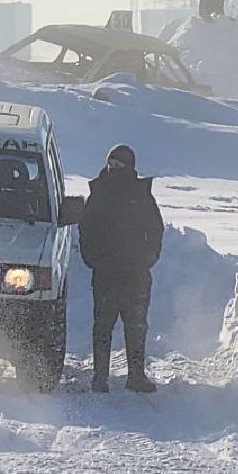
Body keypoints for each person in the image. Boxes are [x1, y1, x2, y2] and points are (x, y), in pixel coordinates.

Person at [78, 143, 164, 394]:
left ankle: (136, 376)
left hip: (136, 274)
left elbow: (156, 229)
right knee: (103, 326)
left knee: (136, 326)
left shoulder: (141, 194)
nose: (113, 168)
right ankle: (100, 377)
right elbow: (86, 229)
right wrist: (92, 258)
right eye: (111, 163)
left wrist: (149, 257)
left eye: (119, 164)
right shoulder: (98, 193)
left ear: (130, 166)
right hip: (105, 273)